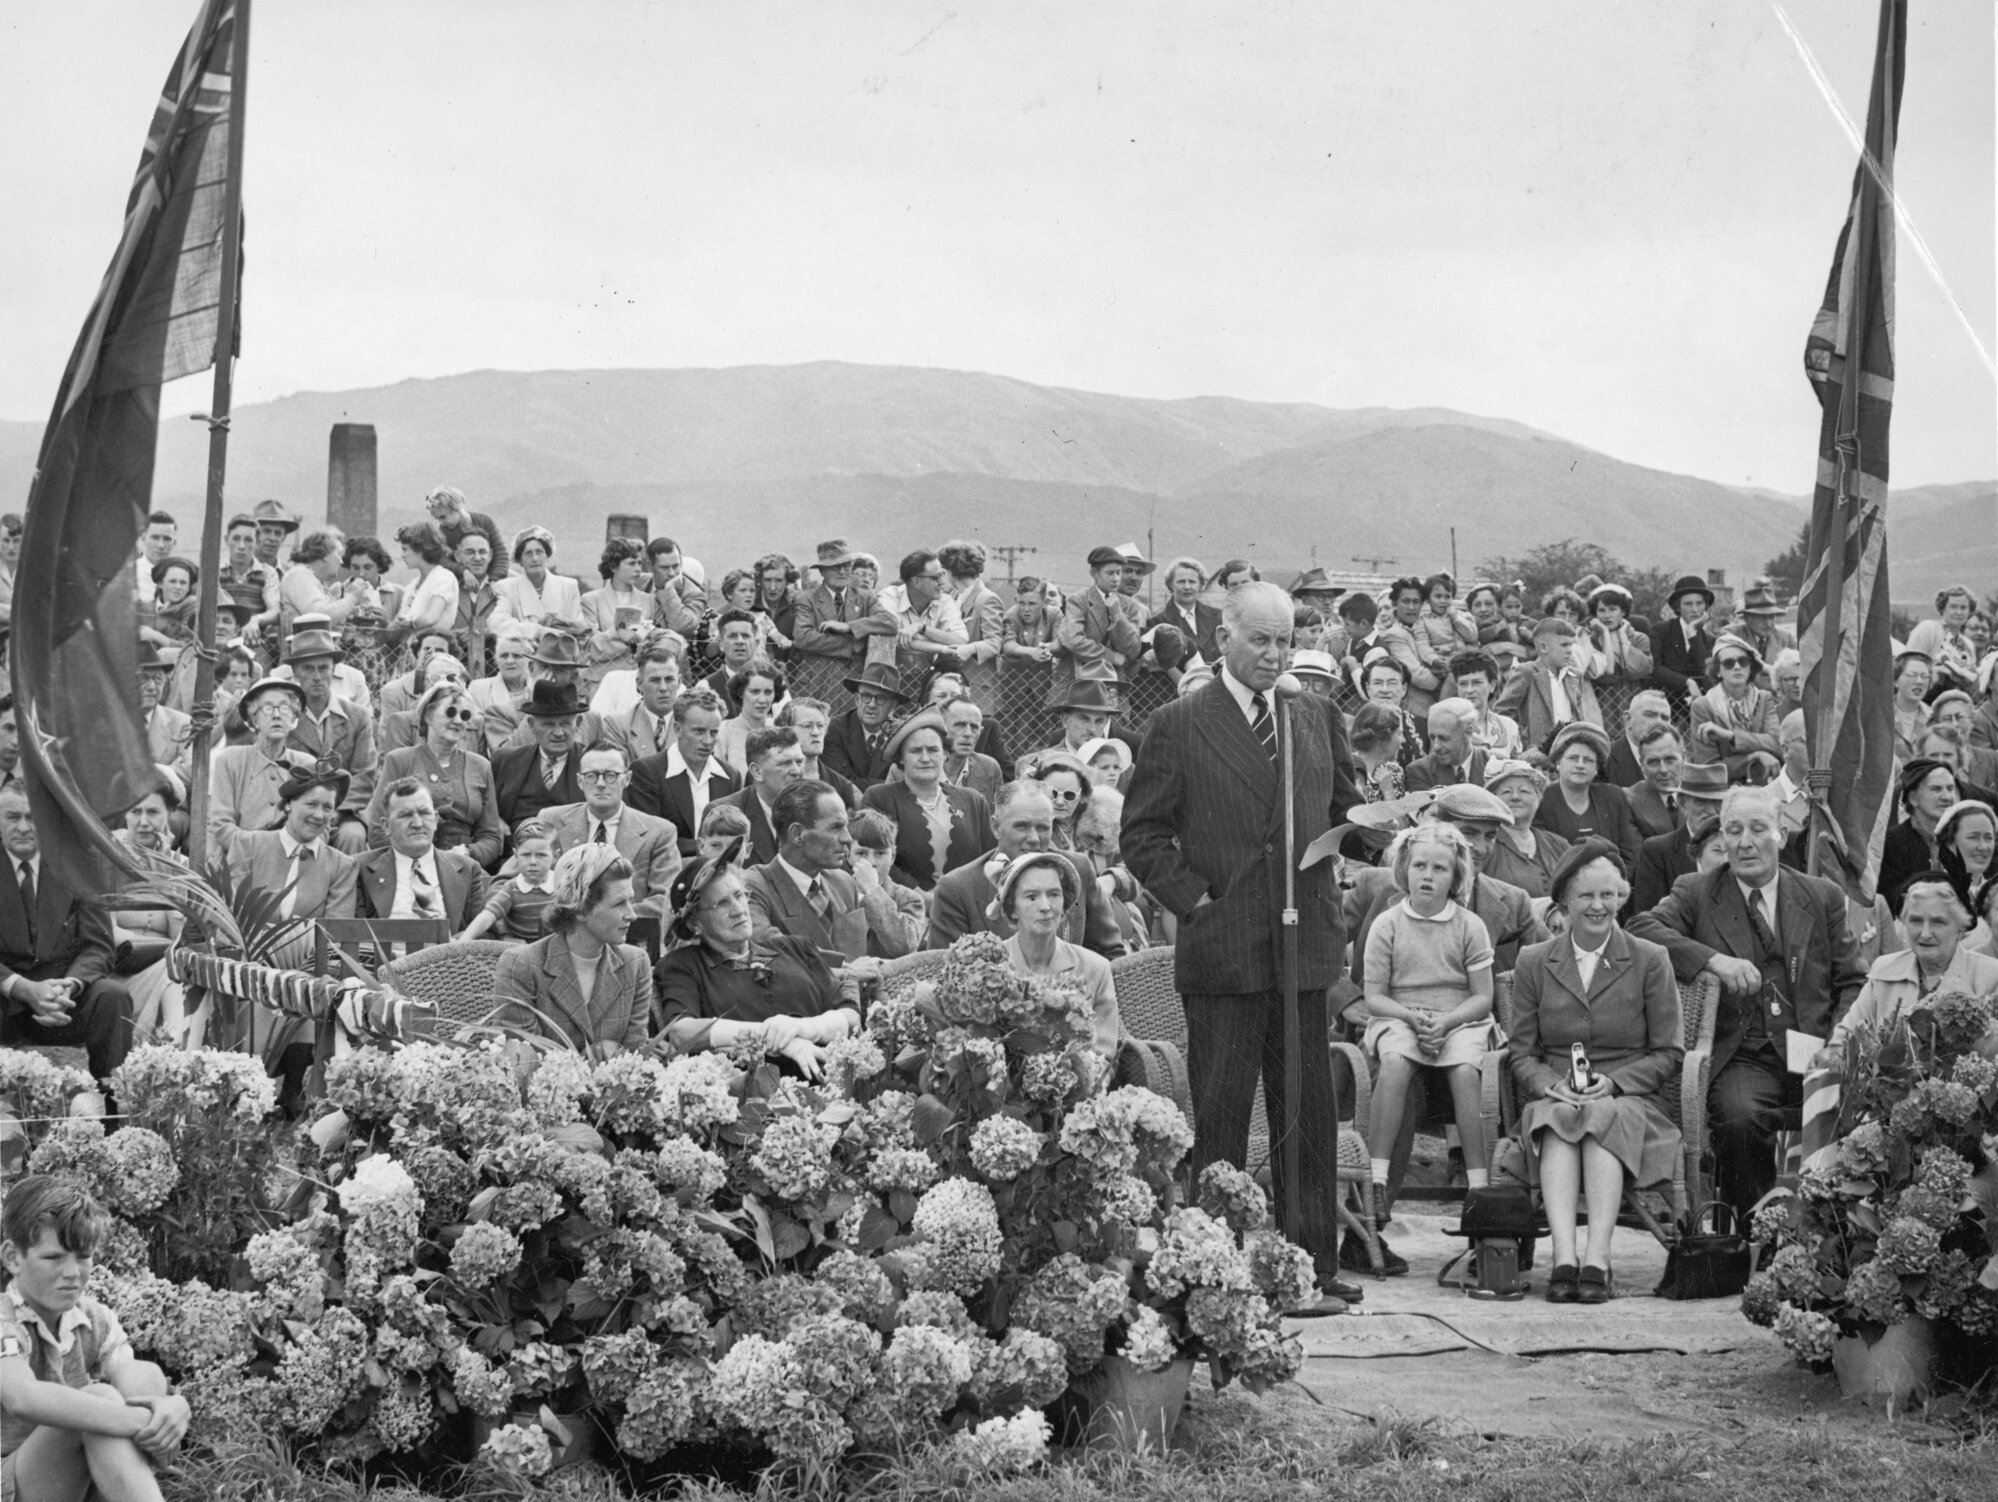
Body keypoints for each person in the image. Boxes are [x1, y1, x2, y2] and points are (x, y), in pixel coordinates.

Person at [1123, 580, 1366, 1306]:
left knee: (1308, 1111)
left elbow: (1345, 813)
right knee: (1224, 1113)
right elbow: (1143, 835)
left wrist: (1388, 826)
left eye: (1285, 640)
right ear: (1222, 637)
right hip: (1224, 948)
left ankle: (1311, 1265)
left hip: (1304, 943)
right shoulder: (1178, 721)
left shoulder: (1315, 714)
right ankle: (1215, 1269)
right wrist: (1199, 901)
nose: (1274, 654)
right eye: (1259, 639)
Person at [1627, 786, 1865, 1221]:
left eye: (1758, 829)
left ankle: (1834, 1237)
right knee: (1739, 1121)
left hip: (1817, 1052)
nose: (1745, 842)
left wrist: (1838, 1043)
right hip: (1743, 1055)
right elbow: (1641, 928)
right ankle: (1754, 1235)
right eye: (1733, 830)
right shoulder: (1697, 891)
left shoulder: (1821, 896)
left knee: (1867, 1116)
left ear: (1782, 835)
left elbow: (1852, 980)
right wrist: (1712, 960)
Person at [1509, 840, 1684, 1304]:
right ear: (1564, 902)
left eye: (1608, 895)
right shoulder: (1534, 961)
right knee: (1558, 1118)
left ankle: (1597, 1259)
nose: (1597, 906)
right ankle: (1564, 1259)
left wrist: (1616, 1083)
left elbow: (1669, 1052)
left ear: (1622, 897)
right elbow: (1521, 1053)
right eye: (1586, 895)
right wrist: (1551, 1085)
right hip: (1559, 1095)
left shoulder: (1650, 958)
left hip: (1632, 1099)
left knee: (1602, 1116)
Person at [0, 1177, 191, 1502]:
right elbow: (22, 1398)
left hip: (74, 1482)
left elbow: (133, 1377)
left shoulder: (93, 1318)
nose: (72, 1272)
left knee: (145, 1374)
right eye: (53, 1257)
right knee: (97, 1402)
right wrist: (137, 1421)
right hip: (10, 1484)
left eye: (83, 1256)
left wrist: (171, 1409)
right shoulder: (5, 1320)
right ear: (12, 1257)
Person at [654, 847, 858, 1079]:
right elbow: (681, 1031)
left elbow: (851, 1017)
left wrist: (806, 1028)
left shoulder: (797, 947)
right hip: (748, 1095)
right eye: (722, 904)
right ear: (694, 923)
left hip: (832, 1085)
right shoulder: (684, 965)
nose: (738, 910)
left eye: (739, 895)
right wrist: (772, 1037)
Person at [0, 787, 135, 1083]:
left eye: (31, 818)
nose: (23, 827)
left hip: (64, 1000)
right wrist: (24, 988)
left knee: (112, 997)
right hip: (6, 998)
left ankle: (113, 1100)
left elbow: (98, 946)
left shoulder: (76, 865)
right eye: (12, 817)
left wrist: (69, 987)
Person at [925, 781, 1126, 955]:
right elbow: (945, 972)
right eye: (1021, 826)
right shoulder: (957, 889)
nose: (1034, 839)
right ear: (996, 827)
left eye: (1042, 827)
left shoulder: (1078, 869)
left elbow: (1110, 952)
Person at [492, 845, 653, 1052]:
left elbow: (635, 1054)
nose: (632, 914)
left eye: (631, 901)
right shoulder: (521, 966)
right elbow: (522, 1059)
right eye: (619, 903)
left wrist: (616, 1055)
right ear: (580, 909)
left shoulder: (636, 963)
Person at [742, 778, 912, 963]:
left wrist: (874, 892)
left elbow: (902, 946)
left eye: (846, 826)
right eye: (835, 828)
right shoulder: (754, 887)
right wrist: (848, 970)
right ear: (797, 834)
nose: (847, 838)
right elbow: (773, 953)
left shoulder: (844, 883)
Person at [1825, 875, 1998, 1050]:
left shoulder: (1991, 977)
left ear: (1961, 929)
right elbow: (1843, 1042)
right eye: (1916, 921)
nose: (1925, 934)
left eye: (1938, 922)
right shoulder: (1884, 970)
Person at [988, 850, 1122, 1060]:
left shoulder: (1096, 968)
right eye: (1032, 897)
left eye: (1054, 894)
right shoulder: (990, 967)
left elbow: (1103, 1056)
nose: (1045, 907)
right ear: (1012, 908)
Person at [365, 680, 507, 868]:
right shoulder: (399, 761)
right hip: (408, 866)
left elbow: (492, 838)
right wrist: (416, 860)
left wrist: (469, 852)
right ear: (428, 715)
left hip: (463, 867)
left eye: (465, 715)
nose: (458, 721)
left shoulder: (481, 766)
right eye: (450, 712)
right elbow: (378, 829)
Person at [859, 711, 992, 891]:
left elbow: (988, 859)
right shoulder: (880, 798)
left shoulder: (973, 801)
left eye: (933, 750)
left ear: (945, 754)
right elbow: (872, 857)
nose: (925, 758)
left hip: (965, 903)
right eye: (915, 751)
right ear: (901, 757)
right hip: (903, 902)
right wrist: (920, 896)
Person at [280, 625, 378, 854]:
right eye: (308, 668)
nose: (317, 677)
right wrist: (308, 809)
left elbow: (365, 775)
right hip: (296, 811)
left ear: (333, 670)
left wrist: (334, 809)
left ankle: (349, 880)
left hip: (343, 812)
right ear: (294, 671)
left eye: (323, 668)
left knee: (353, 836)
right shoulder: (284, 717)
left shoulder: (357, 716)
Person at [356, 779, 490, 933]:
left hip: (449, 948)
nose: (418, 823)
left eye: (424, 813)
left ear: (436, 819)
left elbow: (482, 934)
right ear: (386, 826)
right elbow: (353, 934)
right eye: (406, 815)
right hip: (385, 948)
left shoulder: (467, 869)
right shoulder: (360, 869)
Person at [110, 788, 190, 1041]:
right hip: (118, 976)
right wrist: (168, 949)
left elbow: (183, 939)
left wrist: (168, 876)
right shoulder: (107, 858)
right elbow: (108, 934)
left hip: (168, 973)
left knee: (176, 971)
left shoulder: (181, 866)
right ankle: (173, 1048)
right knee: (173, 968)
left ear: (169, 814)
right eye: (136, 812)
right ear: (125, 814)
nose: (143, 821)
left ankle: (171, 1044)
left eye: (153, 812)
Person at [206, 677, 316, 859]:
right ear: (254, 720)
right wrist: (262, 851)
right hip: (239, 859)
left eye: (284, 708)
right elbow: (221, 825)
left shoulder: (307, 764)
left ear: (293, 719)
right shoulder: (229, 760)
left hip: (292, 859)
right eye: (267, 708)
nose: (276, 715)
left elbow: (318, 825)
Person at [626, 687, 739, 858]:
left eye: (714, 732)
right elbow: (650, 839)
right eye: (699, 731)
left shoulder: (730, 776)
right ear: (677, 729)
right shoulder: (646, 772)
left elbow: (736, 835)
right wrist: (708, 848)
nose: (707, 740)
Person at [1534, 723, 1642, 872]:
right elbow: (1543, 858)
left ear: (1596, 769)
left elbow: (1630, 853)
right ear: (1558, 763)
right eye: (1573, 758)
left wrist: (1616, 879)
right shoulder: (1541, 800)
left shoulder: (1613, 797)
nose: (1580, 765)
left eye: (1588, 760)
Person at [789, 539, 882, 706]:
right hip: (816, 683)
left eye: (846, 566)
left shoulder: (865, 597)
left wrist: (849, 627)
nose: (842, 572)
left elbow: (889, 622)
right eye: (835, 567)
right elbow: (803, 637)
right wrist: (853, 644)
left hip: (852, 684)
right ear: (822, 571)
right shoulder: (807, 599)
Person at [1628, 763, 1729, 912]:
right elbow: (1646, 916)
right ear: (1682, 802)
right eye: (1701, 801)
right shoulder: (1658, 851)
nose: (1710, 810)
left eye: (1717, 802)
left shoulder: (1736, 847)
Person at [864, 549, 968, 693]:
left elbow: (961, 641)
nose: (941, 583)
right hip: (887, 680)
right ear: (916, 582)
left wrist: (921, 628)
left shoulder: (945, 601)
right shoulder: (889, 597)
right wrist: (941, 648)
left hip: (927, 680)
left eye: (941, 575)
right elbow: (893, 636)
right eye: (935, 578)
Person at [490, 681, 588, 832]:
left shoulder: (593, 764)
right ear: (531, 725)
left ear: (578, 723)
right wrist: (495, 821)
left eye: (565, 724)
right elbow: (484, 811)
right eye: (548, 724)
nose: (558, 733)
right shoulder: (505, 762)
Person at [1052, 547, 1142, 707]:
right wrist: (1111, 656)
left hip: (1113, 687)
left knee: (1114, 722)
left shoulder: (1130, 606)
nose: (1116, 578)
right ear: (1094, 573)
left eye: (1118, 573)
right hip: (1076, 681)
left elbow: (1133, 648)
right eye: (1110, 573)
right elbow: (1073, 639)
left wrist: (1118, 616)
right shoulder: (1078, 600)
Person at [1496, 617, 1603, 753]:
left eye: (1571, 644)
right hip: (1536, 752)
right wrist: (1523, 742)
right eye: (1564, 645)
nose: (1570, 650)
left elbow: (1577, 713)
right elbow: (1502, 712)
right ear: (1543, 647)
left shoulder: (1575, 675)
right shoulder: (1527, 672)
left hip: (1567, 749)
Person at [1688, 633, 1781, 782]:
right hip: (1725, 789)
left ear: (1751, 667)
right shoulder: (1703, 706)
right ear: (1718, 671)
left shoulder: (1764, 698)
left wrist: (1730, 736)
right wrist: (1753, 757)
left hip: (1765, 785)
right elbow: (1708, 767)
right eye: (1729, 663)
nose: (1737, 667)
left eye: (1743, 661)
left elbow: (1776, 742)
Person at [710, 727, 806, 867]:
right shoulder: (723, 814)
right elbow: (713, 874)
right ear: (757, 771)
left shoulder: (815, 810)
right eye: (785, 763)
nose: (796, 771)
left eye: (799, 762)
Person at [1878, 758, 1959, 916]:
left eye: (1950, 789)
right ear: (1913, 798)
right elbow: (1892, 900)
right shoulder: (1893, 843)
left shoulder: (1963, 837)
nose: (1947, 797)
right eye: (1936, 789)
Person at [1483, 759, 1570, 899]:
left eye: (1524, 791)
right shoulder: (1485, 843)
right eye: (1506, 792)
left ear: (1539, 798)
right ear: (1494, 799)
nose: (1515, 797)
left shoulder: (1558, 844)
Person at [461, 819, 559, 943]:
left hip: (553, 945)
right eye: (526, 855)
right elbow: (488, 915)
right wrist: (463, 941)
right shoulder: (512, 888)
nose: (533, 862)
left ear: (555, 857)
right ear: (516, 855)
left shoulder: (560, 885)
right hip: (520, 946)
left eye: (541, 855)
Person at [820, 662, 909, 790]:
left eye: (881, 698)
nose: (872, 704)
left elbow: (908, 781)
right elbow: (839, 782)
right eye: (866, 696)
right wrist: (890, 784)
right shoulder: (835, 729)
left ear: (893, 706)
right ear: (857, 699)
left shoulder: (902, 734)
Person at [490, 527, 585, 633]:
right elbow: (498, 623)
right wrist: (536, 630)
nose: (535, 559)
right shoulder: (506, 588)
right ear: (520, 560)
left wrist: (560, 625)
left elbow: (580, 628)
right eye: (528, 553)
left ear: (547, 556)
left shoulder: (568, 586)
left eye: (539, 552)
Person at [601, 641, 680, 765]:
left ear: (679, 682)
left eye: (669, 679)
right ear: (639, 684)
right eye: (655, 680)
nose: (663, 688)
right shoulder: (618, 725)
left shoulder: (692, 722)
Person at [277, 529, 369, 633]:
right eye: (338, 554)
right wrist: (352, 597)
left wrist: (338, 599)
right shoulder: (298, 575)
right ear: (325, 555)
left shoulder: (311, 578)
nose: (341, 561)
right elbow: (318, 618)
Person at [778, 697, 860, 810]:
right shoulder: (771, 776)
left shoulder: (843, 787)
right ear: (786, 730)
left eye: (820, 726)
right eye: (807, 726)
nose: (816, 732)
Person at [389, 522, 460, 646]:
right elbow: (397, 625)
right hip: (407, 653)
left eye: (405, 549)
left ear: (420, 550)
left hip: (433, 650)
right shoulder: (412, 585)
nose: (402, 555)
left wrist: (410, 624)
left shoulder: (443, 577)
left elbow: (431, 618)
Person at [1649, 573, 1716, 704]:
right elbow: (1654, 667)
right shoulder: (1661, 631)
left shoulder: (1709, 640)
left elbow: (1708, 672)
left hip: (1697, 705)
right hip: (1663, 703)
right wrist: (1687, 682)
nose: (1695, 609)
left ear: (1705, 607)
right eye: (1688, 604)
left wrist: (1692, 635)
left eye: (1699, 603)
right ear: (1678, 607)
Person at [421, 485, 508, 584]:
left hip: (490, 577)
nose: (441, 523)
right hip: (463, 580)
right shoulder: (443, 532)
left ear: (456, 508)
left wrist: (495, 579)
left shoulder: (484, 522)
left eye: (443, 517)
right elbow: (442, 561)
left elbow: (501, 555)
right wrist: (463, 571)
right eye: (437, 519)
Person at [1905, 586, 1981, 698]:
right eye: (1953, 607)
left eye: (1963, 607)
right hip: (1926, 697)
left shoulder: (1968, 645)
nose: (1958, 612)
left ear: (1969, 611)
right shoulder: (1928, 629)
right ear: (1942, 608)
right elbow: (1909, 665)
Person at [714, 659, 786, 776]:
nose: (762, 700)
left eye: (768, 692)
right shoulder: (724, 731)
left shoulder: (780, 731)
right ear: (740, 693)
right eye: (755, 692)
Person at [1448, 650, 1522, 760]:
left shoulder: (1509, 727)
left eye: (1476, 683)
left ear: (1492, 685)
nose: (1469, 690)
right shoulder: (1447, 727)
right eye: (1463, 684)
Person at [1624, 724, 1692, 842]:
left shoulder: (1701, 795)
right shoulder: (1628, 801)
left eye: (1669, 759)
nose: (1663, 770)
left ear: (1684, 758)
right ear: (1642, 765)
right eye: (1653, 762)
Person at [1404, 698, 1487, 791]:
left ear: (1468, 731)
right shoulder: (1420, 771)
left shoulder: (1493, 765)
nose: (1436, 747)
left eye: (1444, 738)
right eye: (1432, 738)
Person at [1152, 556, 1221, 665]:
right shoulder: (1157, 621)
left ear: (1201, 585)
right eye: (1181, 582)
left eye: (1192, 582)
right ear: (1170, 585)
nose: (1187, 587)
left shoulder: (1218, 616)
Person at [1604, 689, 1674, 788]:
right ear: (1628, 720)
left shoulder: (1676, 763)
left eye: (1665, 718)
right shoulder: (1604, 760)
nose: (1659, 723)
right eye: (1650, 715)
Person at [580, 538, 652, 633]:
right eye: (632, 563)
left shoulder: (650, 601)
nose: (638, 569)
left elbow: (661, 635)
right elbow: (591, 638)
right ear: (613, 566)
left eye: (639, 563)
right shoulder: (591, 600)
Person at [1347, 701, 1408, 813]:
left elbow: (1401, 823)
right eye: (1399, 734)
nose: (1403, 740)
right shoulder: (1347, 770)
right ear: (1384, 737)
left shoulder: (1394, 772)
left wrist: (1388, 792)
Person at [1891, 650, 1933, 760]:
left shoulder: (1934, 718)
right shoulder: (1881, 714)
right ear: (1895, 681)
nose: (1919, 681)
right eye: (1912, 675)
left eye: (1924, 676)